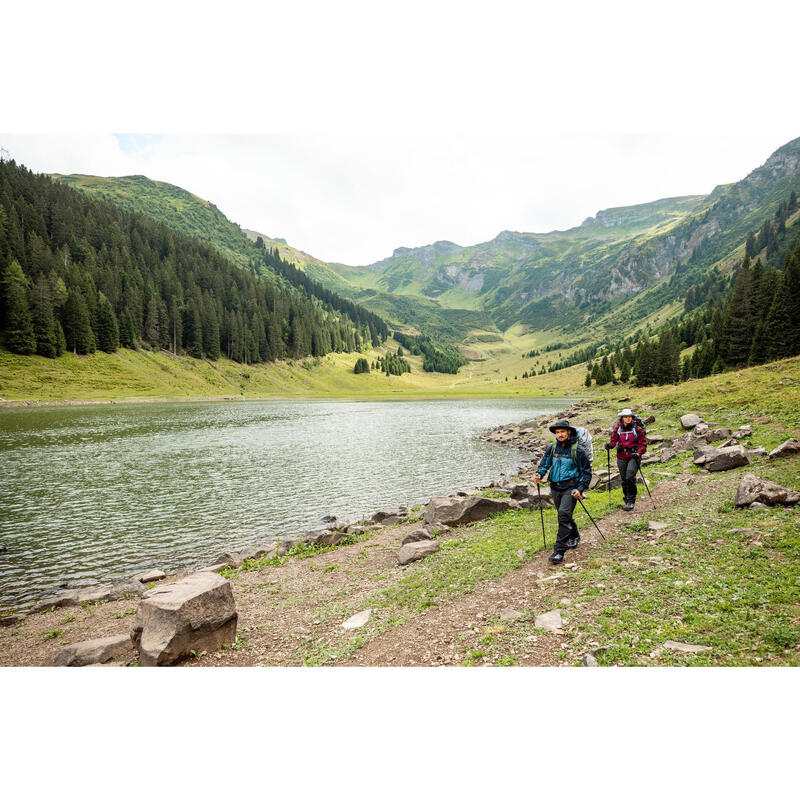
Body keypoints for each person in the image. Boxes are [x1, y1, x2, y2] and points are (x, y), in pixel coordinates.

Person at [533, 419, 592, 565]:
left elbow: (587, 472)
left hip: (570, 488)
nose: (560, 434)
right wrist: (539, 474)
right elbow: (545, 463)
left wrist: (580, 489)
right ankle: (575, 535)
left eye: (562, 431)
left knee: (563, 516)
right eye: (557, 432)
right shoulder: (552, 448)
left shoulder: (578, 450)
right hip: (555, 487)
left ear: (569, 432)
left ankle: (559, 551)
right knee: (564, 515)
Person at [605, 408, 647, 512]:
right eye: (626, 417)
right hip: (621, 456)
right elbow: (614, 441)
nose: (628, 419)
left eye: (629, 417)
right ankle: (627, 498)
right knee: (624, 478)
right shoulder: (618, 429)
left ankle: (631, 500)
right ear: (622, 418)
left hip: (634, 456)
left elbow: (643, 444)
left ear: (632, 417)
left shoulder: (637, 429)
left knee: (629, 476)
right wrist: (610, 446)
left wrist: (638, 453)